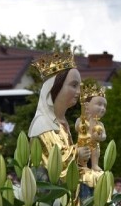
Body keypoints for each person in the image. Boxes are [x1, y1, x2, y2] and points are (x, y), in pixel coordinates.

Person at [28, 51, 100, 189]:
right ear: (55, 88)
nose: (79, 92)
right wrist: (77, 152)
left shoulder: (62, 121)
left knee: (99, 176)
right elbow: (55, 161)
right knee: (94, 179)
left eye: (79, 86)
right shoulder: (43, 123)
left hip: (65, 180)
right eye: (73, 85)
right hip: (49, 187)